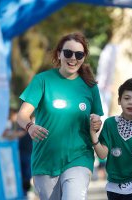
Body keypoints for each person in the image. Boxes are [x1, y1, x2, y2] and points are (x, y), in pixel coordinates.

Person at [17, 32, 104, 200]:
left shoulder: (90, 86)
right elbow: (22, 115)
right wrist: (30, 126)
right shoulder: (42, 80)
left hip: (79, 157)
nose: (73, 58)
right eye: (68, 53)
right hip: (46, 159)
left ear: (84, 57)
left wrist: (96, 123)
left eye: (79, 54)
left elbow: (96, 121)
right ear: (59, 54)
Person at [2, 108, 32, 196]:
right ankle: (24, 192)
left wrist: (9, 135)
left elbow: (18, 134)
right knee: (22, 174)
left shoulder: (25, 124)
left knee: (25, 174)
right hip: (22, 153)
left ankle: (25, 192)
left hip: (26, 154)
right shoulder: (18, 125)